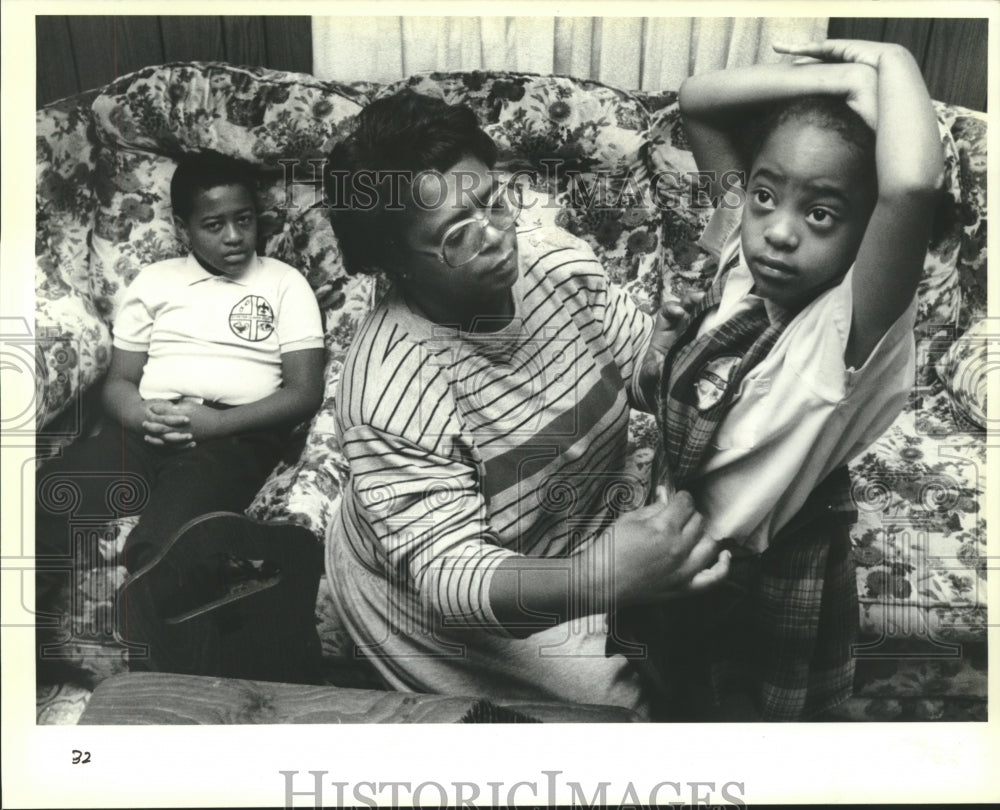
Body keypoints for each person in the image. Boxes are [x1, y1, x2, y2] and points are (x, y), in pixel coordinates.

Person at [323, 91, 730, 716]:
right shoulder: (387, 391)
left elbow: (636, 374)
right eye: (458, 234)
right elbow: (453, 579)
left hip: (569, 522)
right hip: (432, 586)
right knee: (619, 712)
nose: (496, 236)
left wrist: (664, 359)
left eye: (494, 200)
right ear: (392, 264)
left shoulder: (555, 260)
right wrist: (599, 577)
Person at [614, 40, 944, 720]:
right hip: (673, 555)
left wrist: (887, 60)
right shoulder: (741, 257)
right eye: (764, 195)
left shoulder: (846, 330)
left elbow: (911, 186)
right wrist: (843, 80)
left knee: (751, 746)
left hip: (754, 586)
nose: (779, 233)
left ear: (867, 236)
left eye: (820, 213)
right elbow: (699, 97)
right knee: (661, 710)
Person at [35, 153, 325, 656]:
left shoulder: (283, 282)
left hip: (233, 437)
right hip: (148, 428)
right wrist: (143, 415)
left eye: (245, 220)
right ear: (182, 226)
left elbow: (304, 392)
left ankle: (163, 678)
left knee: (172, 541)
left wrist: (216, 424)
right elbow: (119, 382)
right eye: (214, 225)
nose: (234, 237)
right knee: (43, 499)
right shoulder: (156, 282)